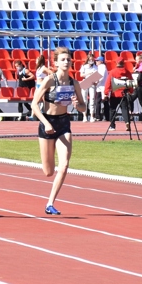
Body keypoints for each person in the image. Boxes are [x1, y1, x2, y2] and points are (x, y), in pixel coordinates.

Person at [31, 47, 86, 215]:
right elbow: (34, 105)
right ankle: (49, 175)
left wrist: (77, 105)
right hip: (47, 123)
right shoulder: (49, 80)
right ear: (55, 63)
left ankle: (50, 203)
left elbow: (83, 108)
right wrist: (46, 123)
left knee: (64, 165)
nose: (66, 62)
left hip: (63, 124)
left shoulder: (74, 83)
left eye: (68, 59)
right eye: (63, 59)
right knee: (48, 172)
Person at [104, 60, 133, 131]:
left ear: (117, 63)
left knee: (112, 110)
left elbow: (108, 83)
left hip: (115, 93)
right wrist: (130, 91)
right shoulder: (127, 72)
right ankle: (127, 122)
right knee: (125, 109)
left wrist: (106, 93)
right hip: (124, 93)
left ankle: (112, 126)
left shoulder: (113, 72)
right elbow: (130, 82)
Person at [79, 57, 98, 122]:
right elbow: (81, 75)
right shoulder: (84, 66)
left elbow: (97, 76)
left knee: (92, 99)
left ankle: (92, 116)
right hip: (86, 81)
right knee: (84, 99)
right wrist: (88, 73)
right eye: (90, 60)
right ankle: (84, 116)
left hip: (92, 82)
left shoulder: (95, 67)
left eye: (92, 60)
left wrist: (96, 81)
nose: (91, 61)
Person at [95, 55, 109, 121]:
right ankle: (102, 116)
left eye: (97, 61)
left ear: (101, 61)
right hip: (100, 86)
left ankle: (101, 116)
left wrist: (96, 82)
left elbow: (101, 76)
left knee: (102, 101)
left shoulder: (102, 67)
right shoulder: (100, 67)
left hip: (102, 86)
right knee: (101, 101)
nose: (96, 62)